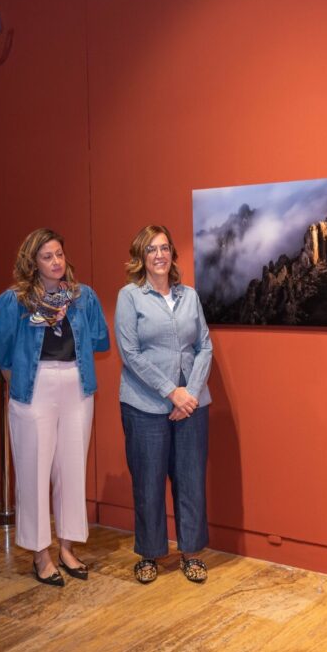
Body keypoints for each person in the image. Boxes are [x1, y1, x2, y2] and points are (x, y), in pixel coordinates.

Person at [0, 229, 109, 586]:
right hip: (33, 387)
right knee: (33, 472)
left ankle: (67, 548)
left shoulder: (84, 297)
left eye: (59, 254)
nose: (56, 262)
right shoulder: (14, 300)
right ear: (32, 262)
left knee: (72, 469)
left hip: (77, 384)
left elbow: (100, 338)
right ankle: (40, 554)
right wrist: (19, 379)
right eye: (47, 257)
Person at [115, 225, 213, 584]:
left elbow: (204, 345)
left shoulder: (190, 296)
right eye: (151, 249)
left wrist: (191, 393)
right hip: (145, 406)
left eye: (165, 248)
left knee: (190, 480)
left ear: (172, 253)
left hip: (192, 405)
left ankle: (191, 552)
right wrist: (172, 392)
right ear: (141, 256)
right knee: (148, 481)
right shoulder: (130, 297)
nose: (159, 255)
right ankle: (149, 553)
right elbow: (130, 354)